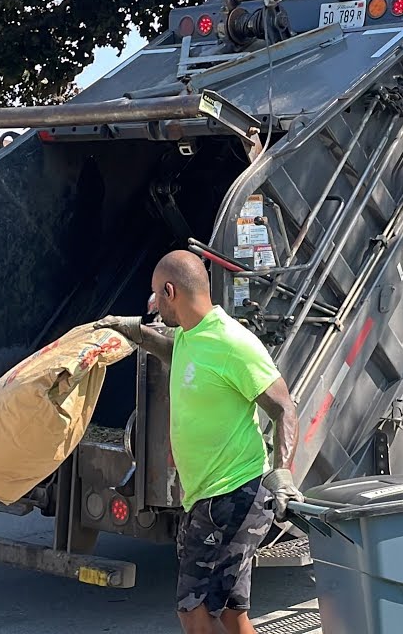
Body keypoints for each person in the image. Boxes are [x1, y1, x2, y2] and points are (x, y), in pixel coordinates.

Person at [97, 250, 302, 634]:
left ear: (171, 291)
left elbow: (284, 408)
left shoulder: (232, 343)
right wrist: (132, 331)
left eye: (157, 295)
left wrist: (284, 472)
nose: (154, 305)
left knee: (193, 613)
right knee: (229, 613)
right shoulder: (192, 336)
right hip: (205, 498)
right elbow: (172, 349)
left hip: (236, 496)